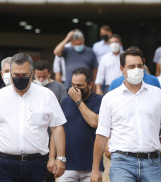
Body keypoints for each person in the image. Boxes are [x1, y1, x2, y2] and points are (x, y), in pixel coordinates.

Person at [90, 47, 161, 182]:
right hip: (122, 163)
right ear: (122, 69)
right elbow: (101, 135)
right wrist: (95, 169)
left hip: (152, 163)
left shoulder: (157, 94)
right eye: (131, 66)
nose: (136, 70)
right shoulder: (110, 98)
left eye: (140, 66)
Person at [0, 53, 67, 182]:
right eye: (16, 75)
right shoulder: (1, 96)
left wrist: (61, 158)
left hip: (36, 164)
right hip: (5, 164)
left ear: (32, 73)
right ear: (10, 73)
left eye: (24, 75)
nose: (20, 78)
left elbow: (57, 127)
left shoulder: (46, 96)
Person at [48, 68, 104, 182]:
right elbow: (56, 130)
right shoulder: (65, 102)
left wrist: (78, 101)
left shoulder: (100, 100)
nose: (75, 89)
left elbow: (94, 122)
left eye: (80, 85)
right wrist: (52, 158)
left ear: (90, 85)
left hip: (91, 167)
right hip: (67, 165)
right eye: (73, 85)